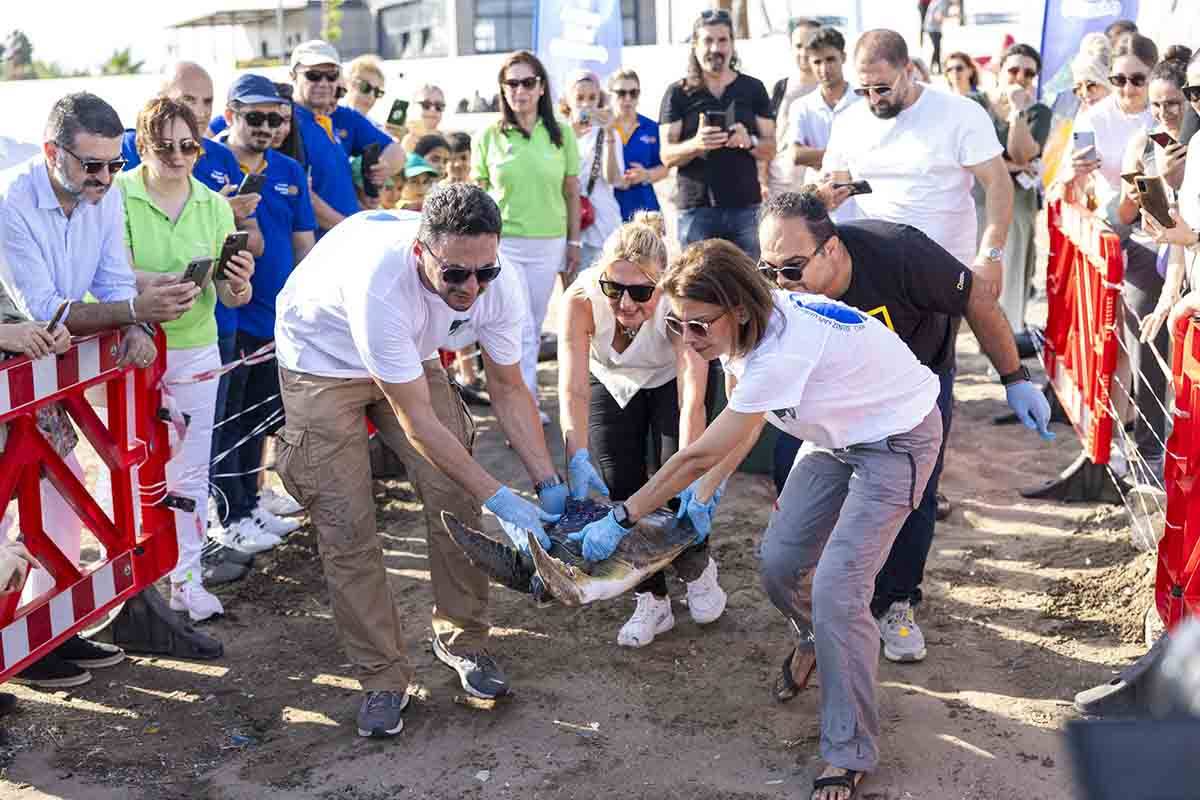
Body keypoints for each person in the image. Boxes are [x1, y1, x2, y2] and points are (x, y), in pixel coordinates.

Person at [569, 238, 944, 800]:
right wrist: (707, 492)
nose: (687, 339)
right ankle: (816, 639)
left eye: (699, 326)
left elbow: (698, 453)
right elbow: (741, 419)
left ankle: (849, 750)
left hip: (897, 440)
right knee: (778, 564)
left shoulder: (781, 349)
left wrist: (622, 517)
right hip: (834, 436)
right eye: (677, 324)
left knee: (840, 589)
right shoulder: (743, 326)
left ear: (739, 311)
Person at [273, 183, 568, 737]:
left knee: (455, 497)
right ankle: (382, 676)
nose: (471, 288)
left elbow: (508, 388)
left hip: (406, 352)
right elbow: (417, 421)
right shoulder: (382, 285)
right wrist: (503, 499)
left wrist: (547, 483)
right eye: (455, 274)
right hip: (321, 358)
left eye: (484, 272)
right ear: (420, 252)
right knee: (346, 523)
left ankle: (465, 640)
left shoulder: (495, 283)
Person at [760, 191, 1052, 670]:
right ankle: (822, 598)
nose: (780, 282)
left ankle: (895, 600)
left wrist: (1014, 378)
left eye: (791, 269)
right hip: (834, 390)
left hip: (918, 384)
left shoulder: (900, 253)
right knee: (787, 466)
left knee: (916, 490)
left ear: (831, 248)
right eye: (768, 269)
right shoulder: (782, 288)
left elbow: (976, 297)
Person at [0, 92, 196, 687]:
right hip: (14, 358)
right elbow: (45, 307)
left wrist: (133, 322)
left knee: (63, 487)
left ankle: (44, 627)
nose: (107, 178)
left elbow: (110, 278)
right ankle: (14, 639)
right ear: (51, 152)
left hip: (36, 368)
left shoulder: (101, 198)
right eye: (92, 165)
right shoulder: (11, 201)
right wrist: (133, 311)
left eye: (115, 164)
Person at [115, 96, 256, 620]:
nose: (177, 156)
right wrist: (159, 284)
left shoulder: (213, 204)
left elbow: (233, 296)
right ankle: (133, 584)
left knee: (190, 471)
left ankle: (187, 580)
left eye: (188, 146)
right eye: (164, 146)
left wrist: (238, 281)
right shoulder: (118, 194)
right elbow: (108, 273)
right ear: (142, 145)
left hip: (196, 347)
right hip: (128, 350)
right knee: (129, 469)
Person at [557, 213, 724, 647]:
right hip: (612, 380)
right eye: (614, 288)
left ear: (662, 285)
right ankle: (652, 599)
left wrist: (691, 470)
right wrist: (576, 456)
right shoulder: (581, 299)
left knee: (674, 483)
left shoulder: (680, 302)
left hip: (669, 380)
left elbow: (692, 396)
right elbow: (572, 388)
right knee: (621, 487)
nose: (626, 304)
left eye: (641, 292)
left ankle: (698, 570)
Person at [208, 75, 316, 554]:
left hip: (276, 320)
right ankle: (228, 515)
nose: (266, 127)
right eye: (255, 117)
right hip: (231, 318)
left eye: (275, 118)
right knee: (225, 424)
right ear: (231, 114)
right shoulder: (209, 160)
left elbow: (303, 246)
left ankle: (249, 505)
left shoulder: (289, 169)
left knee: (257, 420)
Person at [823, 29, 1014, 288]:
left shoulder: (960, 113)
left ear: (909, 70)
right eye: (864, 90)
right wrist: (825, 195)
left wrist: (991, 255)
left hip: (946, 270)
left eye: (882, 88)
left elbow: (998, 182)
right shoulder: (848, 120)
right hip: (875, 268)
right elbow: (835, 183)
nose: (874, 98)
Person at [1065, 34, 1161, 479]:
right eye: (1118, 79)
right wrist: (1076, 175)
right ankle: (1121, 439)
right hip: (1111, 231)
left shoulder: (1166, 113)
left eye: (1136, 79)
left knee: (1145, 336)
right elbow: (1077, 185)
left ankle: (1149, 443)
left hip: (1158, 232)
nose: (1126, 88)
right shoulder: (1093, 117)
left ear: (1153, 77)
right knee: (1113, 340)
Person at [472, 50, 580, 419]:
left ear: (541, 87)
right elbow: (479, 194)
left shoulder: (562, 134)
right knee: (511, 325)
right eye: (512, 83)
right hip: (504, 245)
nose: (520, 90)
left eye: (528, 82)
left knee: (532, 325)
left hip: (549, 242)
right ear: (503, 89)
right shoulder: (488, 135)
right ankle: (517, 405)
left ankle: (525, 403)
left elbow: (571, 192)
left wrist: (573, 242)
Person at [659, 8, 776, 260]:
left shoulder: (753, 88)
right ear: (695, 45)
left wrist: (750, 141)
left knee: (750, 280)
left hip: (746, 207)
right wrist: (696, 144)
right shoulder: (678, 93)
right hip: (696, 209)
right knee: (698, 280)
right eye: (708, 40)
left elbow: (771, 149)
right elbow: (666, 156)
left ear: (732, 44)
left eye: (722, 40)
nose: (715, 48)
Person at [289, 40, 404, 234]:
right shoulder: (286, 122)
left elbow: (396, 152)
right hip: (320, 244)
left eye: (331, 76)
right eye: (313, 75)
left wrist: (376, 173)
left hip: (344, 237)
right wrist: (349, 230)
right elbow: (300, 195)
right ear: (293, 76)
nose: (323, 83)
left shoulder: (334, 118)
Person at [984, 44, 1052, 349]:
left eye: (1028, 73)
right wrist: (1009, 165)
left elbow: (1021, 153)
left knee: (1009, 278)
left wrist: (1018, 112)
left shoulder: (1038, 112)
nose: (1020, 77)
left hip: (1017, 208)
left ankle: (1002, 348)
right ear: (999, 71)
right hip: (978, 205)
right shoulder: (977, 106)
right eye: (1013, 70)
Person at [788, 26, 861, 223]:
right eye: (817, 62)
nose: (824, 68)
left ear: (843, 57)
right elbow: (796, 154)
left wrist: (817, 157)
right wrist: (844, 163)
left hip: (860, 205)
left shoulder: (863, 101)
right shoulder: (802, 106)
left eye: (830, 59)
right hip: (819, 206)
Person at [562, 70, 625, 273]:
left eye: (592, 98)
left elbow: (613, 179)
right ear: (568, 100)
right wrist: (569, 135)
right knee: (573, 289)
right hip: (568, 225)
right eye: (579, 97)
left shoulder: (608, 133)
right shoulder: (559, 134)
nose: (586, 104)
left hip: (602, 225)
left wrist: (609, 133)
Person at [766, 17, 820, 199]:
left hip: (817, 185)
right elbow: (770, 136)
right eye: (798, 46)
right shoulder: (781, 87)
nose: (804, 52)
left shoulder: (831, 89)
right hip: (781, 185)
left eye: (810, 45)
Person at [610, 69, 666, 220]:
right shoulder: (601, 128)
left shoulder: (652, 127)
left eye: (633, 93)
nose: (628, 98)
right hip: (608, 210)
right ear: (610, 94)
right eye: (621, 93)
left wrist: (646, 175)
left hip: (645, 209)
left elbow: (665, 166)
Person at [400, 84, 447, 151]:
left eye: (438, 106)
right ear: (413, 107)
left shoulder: (448, 143)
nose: (433, 109)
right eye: (426, 104)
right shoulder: (396, 137)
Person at [923, 0, 949, 74]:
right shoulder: (943, 2)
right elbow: (938, 16)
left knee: (936, 48)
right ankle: (935, 68)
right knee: (937, 48)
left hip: (930, 27)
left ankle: (936, 68)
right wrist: (951, 17)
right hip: (934, 28)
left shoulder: (936, 1)